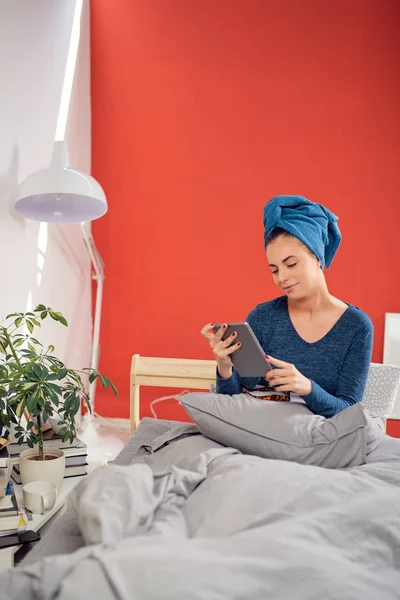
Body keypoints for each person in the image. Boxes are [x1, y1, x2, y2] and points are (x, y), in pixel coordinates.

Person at [201, 195, 373, 418]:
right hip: (262, 435)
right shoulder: (263, 318)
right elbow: (235, 407)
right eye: (274, 269)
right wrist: (225, 367)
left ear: (317, 256)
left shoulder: (356, 327)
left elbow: (349, 412)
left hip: (321, 440)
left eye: (291, 264)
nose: (281, 277)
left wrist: (307, 388)